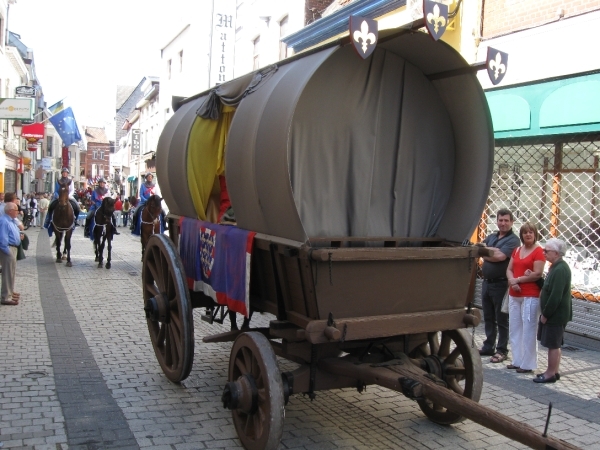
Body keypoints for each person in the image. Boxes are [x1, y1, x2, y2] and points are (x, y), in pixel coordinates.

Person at [479, 208, 521, 363]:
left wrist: (485, 252)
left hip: (501, 284)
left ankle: (502, 350)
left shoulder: (513, 240)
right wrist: (488, 251)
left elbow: (500, 256)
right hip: (486, 283)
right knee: (488, 317)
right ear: (496, 221)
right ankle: (488, 346)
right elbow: (481, 251)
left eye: (506, 221)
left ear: (511, 222)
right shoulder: (491, 236)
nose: (503, 223)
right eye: (500, 220)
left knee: (501, 318)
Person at [505, 223, 546, 373]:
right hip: (514, 293)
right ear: (521, 235)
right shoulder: (516, 250)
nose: (528, 235)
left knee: (529, 329)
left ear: (535, 234)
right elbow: (509, 269)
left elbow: (537, 273)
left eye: (531, 232)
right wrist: (512, 281)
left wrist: (518, 280)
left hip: (530, 294)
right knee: (515, 327)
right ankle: (517, 360)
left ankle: (528, 364)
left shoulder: (539, 251)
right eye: (525, 232)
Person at [534, 238, 572, 384]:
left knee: (553, 345)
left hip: (556, 315)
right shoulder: (555, 267)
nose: (544, 253)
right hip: (555, 314)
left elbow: (556, 295)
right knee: (555, 343)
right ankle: (554, 371)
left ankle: (550, 373)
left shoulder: (561, 269)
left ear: (556, 253)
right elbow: (548, 287)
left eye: (547, 251)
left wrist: (546, 314)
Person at [0, 203, 24, 305]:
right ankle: (6, 296)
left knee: (11, 273)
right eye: (16, 210)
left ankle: (9, 292)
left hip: (13, 248)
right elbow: (2, 238)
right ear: (10, 211)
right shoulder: (4, 221)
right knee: (7, 273)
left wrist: (18, 237)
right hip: (8, 249)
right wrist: (7, 251)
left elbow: (12, 233)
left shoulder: (11, 220)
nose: (18, 212)